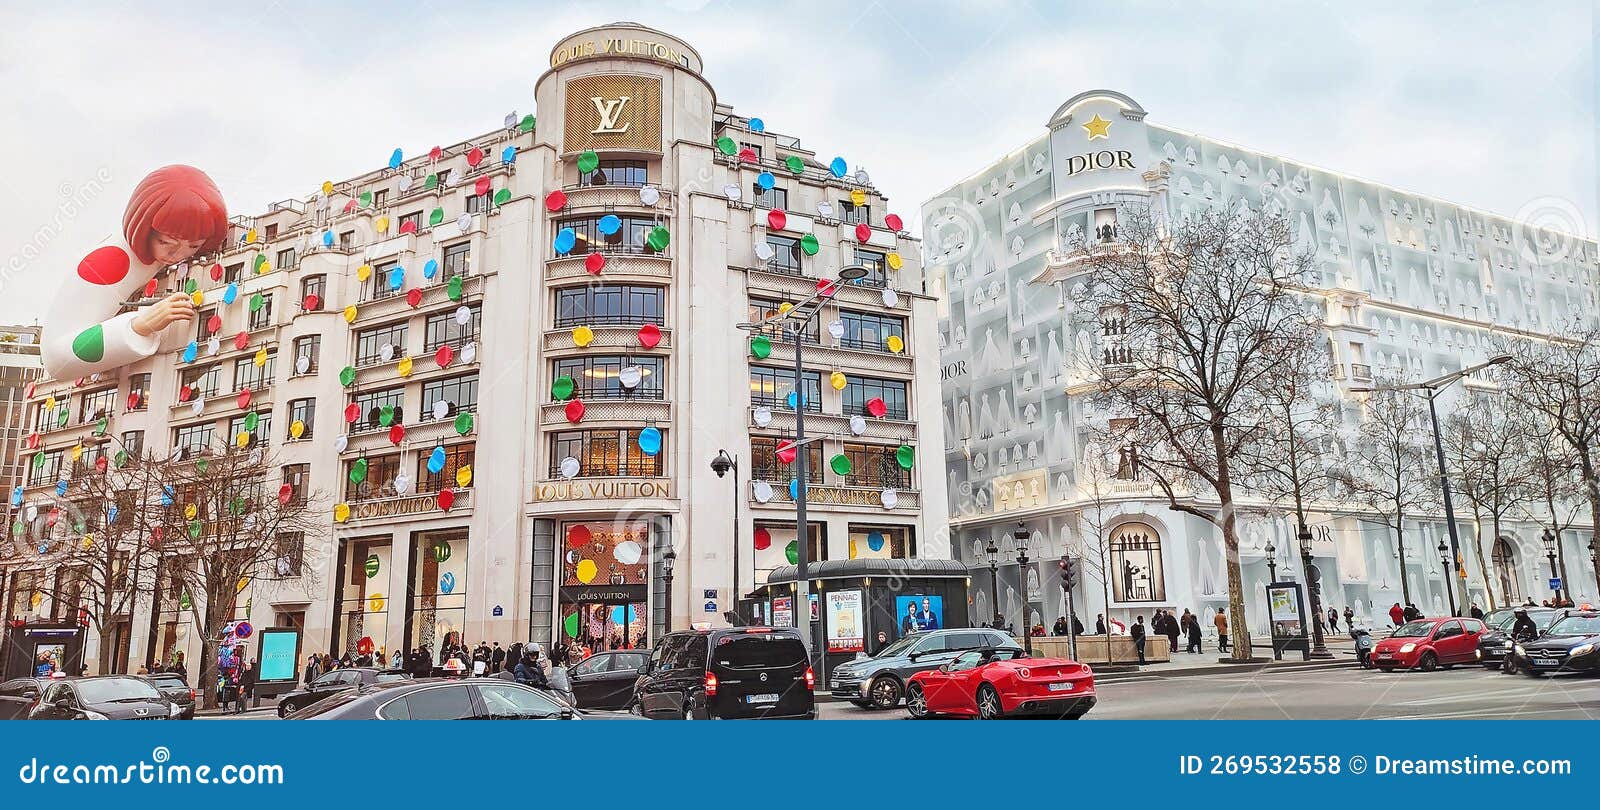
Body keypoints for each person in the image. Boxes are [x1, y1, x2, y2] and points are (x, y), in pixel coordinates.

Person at [42, 165, 229, 382]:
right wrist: (138, 326)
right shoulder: (111, 261)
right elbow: (56, 360)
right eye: (166, 242)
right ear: (144, 227)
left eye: (194, 246)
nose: (178, 254)